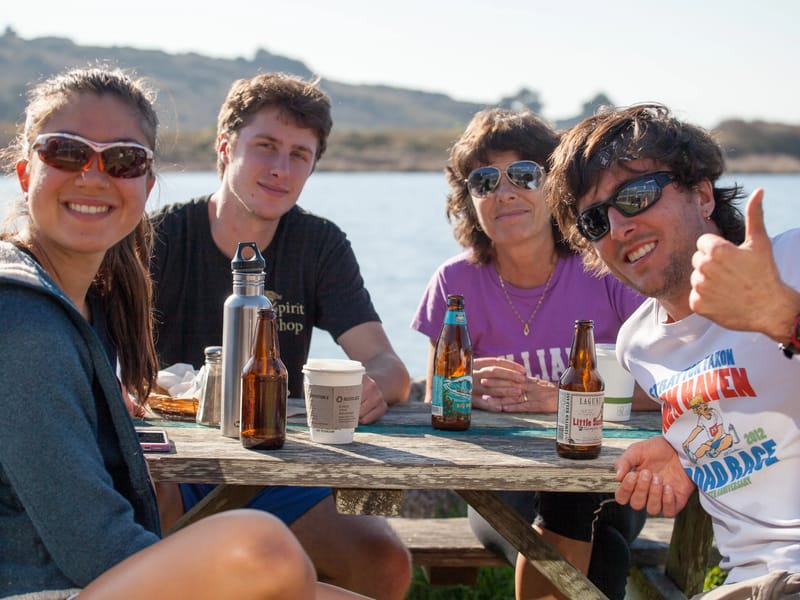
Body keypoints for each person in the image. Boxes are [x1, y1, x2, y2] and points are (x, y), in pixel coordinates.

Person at [0, 66, 367, 600]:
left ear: (146, 184)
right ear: (26, 172)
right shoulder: (24, 320)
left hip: (87, 573)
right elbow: (93, 546)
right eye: (67, 152)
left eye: (123, 159)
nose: (94, 176)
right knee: (261, 550)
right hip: (40, 587)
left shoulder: (80, 302)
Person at [149, 71, 411, 600]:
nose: (279, 168)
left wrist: (370, 387)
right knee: (164, 552)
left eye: (299, 155)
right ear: (225, 149)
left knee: (384, 562)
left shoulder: (319, 245)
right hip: (171, 463)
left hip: (279, 464)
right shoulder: (157, 238)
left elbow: (388, 365)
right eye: (265, 147)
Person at [547, 102, 800, 599]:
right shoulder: (638, 344)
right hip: (749, 581)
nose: (620, 226)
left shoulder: (791, 260)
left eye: (637, 195)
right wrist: (684, 450)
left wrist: (786, 319)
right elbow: (743, 403)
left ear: (702, 194)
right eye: (596, 221)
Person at [411, 107, 653, 600]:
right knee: (601, 550)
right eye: (484, 181)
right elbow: (433, 400)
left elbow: (667, 389)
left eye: (524, 174)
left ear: (556, 186)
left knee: (589, 523)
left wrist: (562, 401)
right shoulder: (454, 283)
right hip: (501, 484)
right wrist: (457, 389)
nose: (504, 193)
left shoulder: (606, 270)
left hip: (608, 474)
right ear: (469, 199)